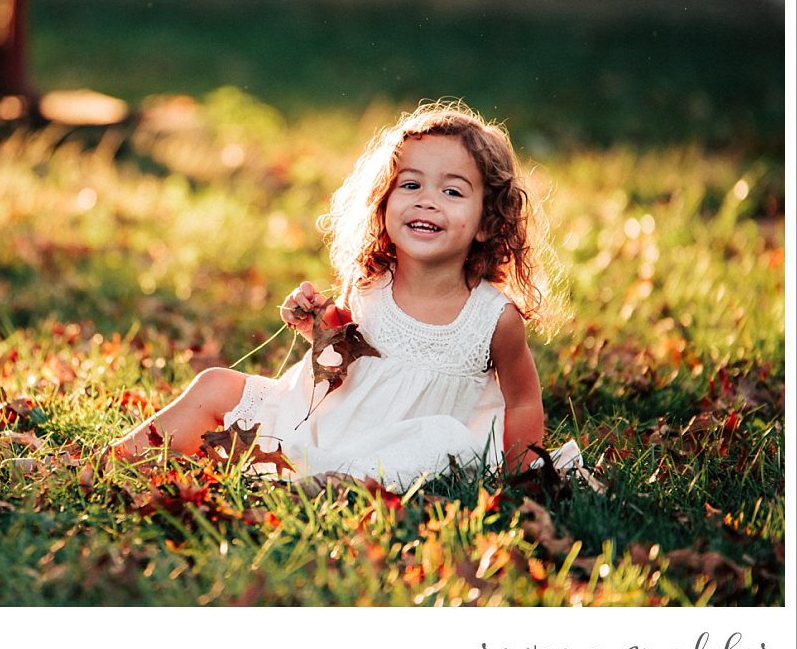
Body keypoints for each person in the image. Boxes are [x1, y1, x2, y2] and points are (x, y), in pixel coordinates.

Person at [108, 100, 569, 489]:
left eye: (452, 191)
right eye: (410, 185)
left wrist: (520, 476)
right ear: (383, 203)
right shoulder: (372, 283)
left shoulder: (491, 318)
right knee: (216, 385)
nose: (426, 200)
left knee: (444, 438)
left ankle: (324, 486)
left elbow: (523, 401)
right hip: (323, 428)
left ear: (489, 221)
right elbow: (342, 354)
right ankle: (106, 465)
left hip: (398, 457)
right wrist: (317, 325)